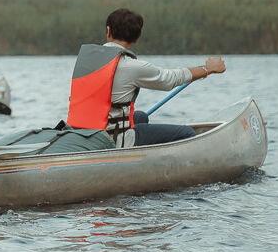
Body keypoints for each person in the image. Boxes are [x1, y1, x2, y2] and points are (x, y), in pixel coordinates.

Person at [65, 8, 226, 148]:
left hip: (81, 133)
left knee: (141, 116)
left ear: (108, 31)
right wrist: (207, 69)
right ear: (136, 38)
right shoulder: (132, 67)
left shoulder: (87, 62)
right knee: (187, 133)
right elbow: (169, 79)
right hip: (112, 140)